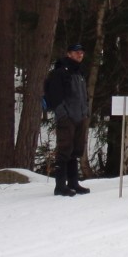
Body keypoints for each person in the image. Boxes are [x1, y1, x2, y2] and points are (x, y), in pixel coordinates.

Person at [45, 43, 91, 196]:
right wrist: (63, 114)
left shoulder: (80, 72)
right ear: (69, 54)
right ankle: (60, 185)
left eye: (81, 53)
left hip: (80, 116)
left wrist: (85, 112)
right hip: (68, 117)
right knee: (64, 150)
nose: (80, 55)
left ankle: (73, 182)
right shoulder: (60, 72)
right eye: (77, 52)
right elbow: (55, 96)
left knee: (76, 150)